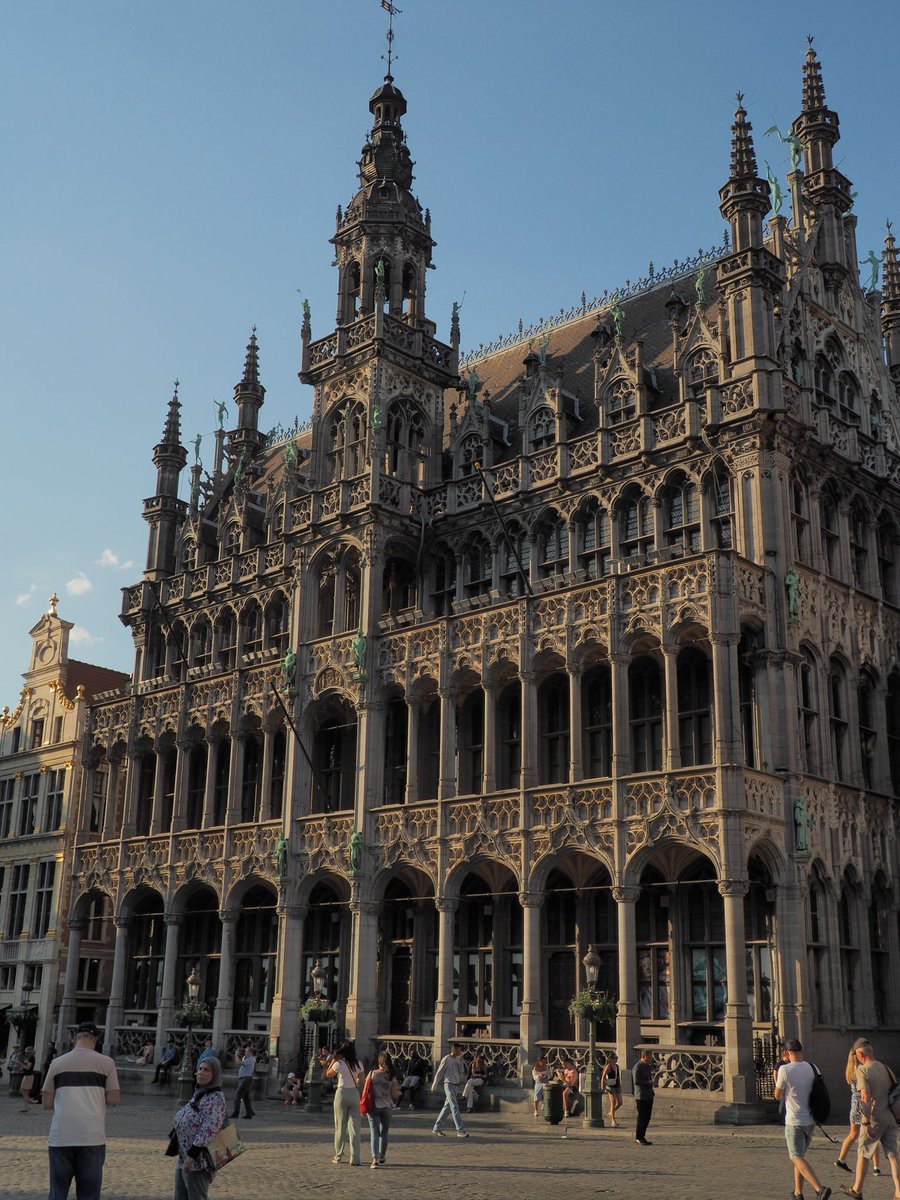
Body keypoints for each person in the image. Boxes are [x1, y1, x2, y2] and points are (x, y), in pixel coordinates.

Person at [42, 1019, 120, 1200]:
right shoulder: (106, 1063)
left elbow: (46, 1102)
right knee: (89, 1194)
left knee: (57, 1192)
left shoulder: (57, 1063)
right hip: (91, 1137)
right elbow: (113, 1099)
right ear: (95, 1039)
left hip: (61, 1137)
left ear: (74, 1038)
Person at [839, 1039, 900, 1200]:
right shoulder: (885, 1068)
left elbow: (865, 1097)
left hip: (874, 1118)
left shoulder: (863, 1071)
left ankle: (857, 1190)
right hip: (891, 1118)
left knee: (863, 1153)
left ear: (860, 1054)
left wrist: (865, 1122)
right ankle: (899, 1192)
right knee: (893, 1155)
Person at [774, 1037, 831, 1200]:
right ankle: (798, 1192)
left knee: (795, 1156)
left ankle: (819, 1188)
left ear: (786, 1053)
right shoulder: (813, 1067)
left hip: (794, 1121)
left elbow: (777, 1095)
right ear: (801, 1052)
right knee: (800, 1157)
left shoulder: (785, 1070)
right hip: (811, 1121)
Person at [170, 1055, 226, 1200]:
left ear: (215, 1074)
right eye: (199, 1069)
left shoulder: (216, 1098)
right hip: (184, 1156)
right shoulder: (200, 1093)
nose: (200, 1073)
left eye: (206, 1070)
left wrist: (192, 1155)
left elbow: (209, 1129)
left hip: (198, 1161)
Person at [835, 1046, 882, 1177]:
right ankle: (876, 1167)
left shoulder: (850, 1070)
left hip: (854, 1105)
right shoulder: (862, 1070)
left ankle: (841, 1158)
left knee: (853, 1134)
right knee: (872, 1135)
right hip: (864, 1104)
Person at [326, 1039, 364, 1165]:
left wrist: (333, 1060)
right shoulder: (359, 1063)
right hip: (354, 1093)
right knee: (355, 1127)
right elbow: (361, 1081)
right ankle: (355, 1158)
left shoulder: (339, 1064)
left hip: (341, 1093)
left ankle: (338, 1156)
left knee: (340, 1127)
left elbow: (328, 1074)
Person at [366, 1050, 399, 1168]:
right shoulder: (391, 1076)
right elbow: (394, 1094)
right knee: (384, 1133)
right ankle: (382, 1156)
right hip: (388, 1106)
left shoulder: (372, 1074)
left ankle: (375, 1159)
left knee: (374, 1132)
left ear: (379, 1061)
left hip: (374, 1106)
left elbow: (365, 1091)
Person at [431, 1042, 469, 1137]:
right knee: (454, 1107)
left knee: (447, 1108)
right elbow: (439, 1072)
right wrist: (434, 1084)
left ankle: (437, 1128)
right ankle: (460, 1130)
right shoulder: (446, 1059)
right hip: (448, 1085)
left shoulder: (458, 1059)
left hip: (455, 1085)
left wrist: (461, 1062)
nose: (460, 1052)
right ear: (454, 1049)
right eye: (459, 1049)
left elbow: (461, 1072)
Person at [633, 1049, 655, 1145]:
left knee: (647, 1117)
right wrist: (648, 1083)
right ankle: (639, 1137)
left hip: (649, 1094)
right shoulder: (637, 1067)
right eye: (649, 1056)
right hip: (641, 1096)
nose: (650, 1058)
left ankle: (643, 1136)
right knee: (642, 1117)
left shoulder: (647, 1066)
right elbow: (636, 1081)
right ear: (643, 1056)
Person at [231, 1045, 256, 1119]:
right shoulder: (245, 1058)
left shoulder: (251, 1059)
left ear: (250, 1052)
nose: (245, 1052)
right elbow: (237, 1063)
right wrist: (238, 1055)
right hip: (243, 1078)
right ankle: (249, 1114)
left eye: (246, 1051)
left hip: (246, 1079)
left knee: (237, 1096)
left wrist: (236, 1055)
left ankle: (235, 1113)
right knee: (246, 1098)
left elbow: (239, 1063)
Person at [601, 1052, 623, 1127]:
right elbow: (603, 1076)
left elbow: (618, 1077)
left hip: (616, 1085)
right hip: (610, 1086)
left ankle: (610, 1113)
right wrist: (602, 1086)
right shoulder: (608, 1066)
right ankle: (613, 1121)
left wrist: (620, 1085)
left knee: (620, 1102)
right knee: (613, 1102)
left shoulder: (617, 1066)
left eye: (617, 1058)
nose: (616, 1059)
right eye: (615, 1058)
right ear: (611, 1059)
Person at [19, 1045, 36, 1113]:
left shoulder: (31, 1058)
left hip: (28, 1076)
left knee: (22, 1090)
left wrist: (21, 1064)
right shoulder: (30, 1058)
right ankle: (26, 1106)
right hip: (28, 1075)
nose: (26, 1053)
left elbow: (28, 1068)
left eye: (27, 1051)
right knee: (26, 1091)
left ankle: (27, 1104)